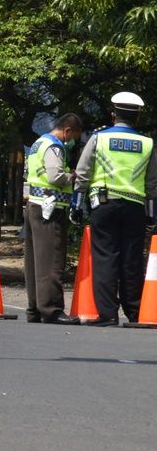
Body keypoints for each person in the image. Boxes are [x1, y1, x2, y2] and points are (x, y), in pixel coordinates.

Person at [75, 92, 157, 326]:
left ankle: (108, 314)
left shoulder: (99, 138)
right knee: (131, 259)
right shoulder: (147, 143)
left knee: (105, 258)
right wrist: (151, 214)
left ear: (113, 115)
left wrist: (77, 204)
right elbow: (152, 184)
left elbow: (83, 173)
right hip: (135, 207)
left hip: (104, 204)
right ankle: (136, 313)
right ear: (137, 117)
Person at [21, 114, 84, 324]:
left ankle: (35, 309)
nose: (73, 141)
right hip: (50, 209)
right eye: (74, 136)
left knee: (35, 261)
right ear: (67, 131)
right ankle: (52, 310)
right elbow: (55, 177)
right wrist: (73, 176)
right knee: (51, 260)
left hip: (35, 206)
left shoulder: (39, 143)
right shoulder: (54, 147)